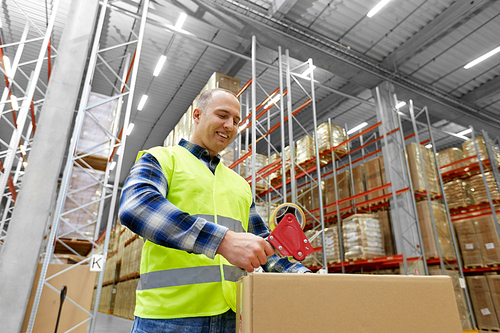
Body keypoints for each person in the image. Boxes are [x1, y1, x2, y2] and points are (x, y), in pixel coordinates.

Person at [119, 88, 310, 333]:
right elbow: (137, 206)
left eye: (236, 121)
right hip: (169, 317)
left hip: (232, 314)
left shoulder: (239, 184)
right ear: (197, 115)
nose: (230, 125)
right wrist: (222, 242)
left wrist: (303, 276)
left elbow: (264, 244)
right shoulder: (163, 159)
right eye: (222, 115)